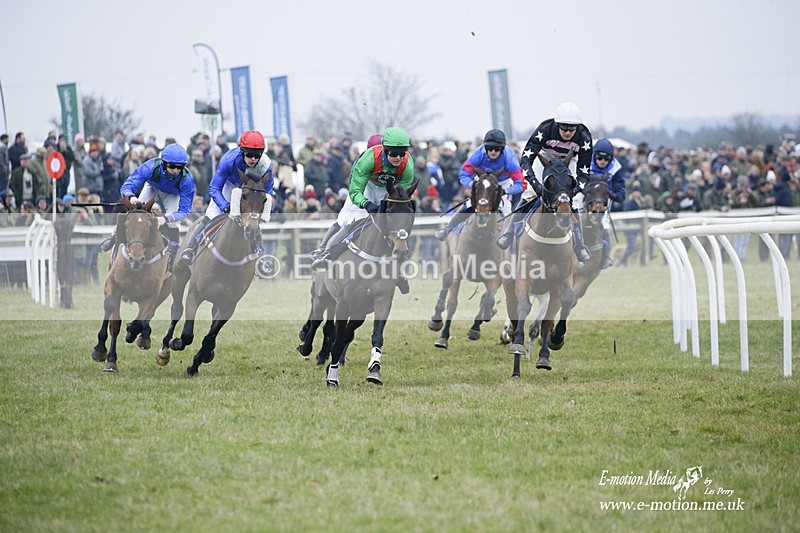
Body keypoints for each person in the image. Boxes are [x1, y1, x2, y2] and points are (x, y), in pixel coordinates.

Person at [309, 126, 415, 293]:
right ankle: (326, 253)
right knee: (351, 220)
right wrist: (366, 204)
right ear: (385, 150)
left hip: (386, 189)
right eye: (394, 154)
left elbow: (403, 191)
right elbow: (355, 190)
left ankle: (398, 270)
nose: (399, 158)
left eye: (402, 153)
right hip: (364, 187)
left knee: (392, 226)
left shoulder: (407, 163)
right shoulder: (368, 159)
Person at [495, 102, 594, 261]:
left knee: (572, 202)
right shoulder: (545, 129)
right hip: (545, 159)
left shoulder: (584, 136)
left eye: (572, 129)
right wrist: (535, 183)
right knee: (529, 195)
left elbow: (584, 171)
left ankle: (579, 245)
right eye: (563, 128)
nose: (568, 132)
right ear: (557, 124)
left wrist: (574, 190)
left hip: (569, 162)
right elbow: (526, 159)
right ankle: (509, 233)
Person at [179, 130, 274, 265]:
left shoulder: (266, 165)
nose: (253, 159)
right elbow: (215, 188)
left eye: (257, 155)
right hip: (228, 187)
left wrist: (261, 206)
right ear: (242, 151)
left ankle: (260, 251)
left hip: (251, 189)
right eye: (249, 154)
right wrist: (224, 205)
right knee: (211, 216)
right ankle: (190, 248)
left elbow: (268, 189)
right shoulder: (229, 160)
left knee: (253, 219)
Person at [99, 143, 196, 272]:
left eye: (180, 167)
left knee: (174, 223)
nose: (176, 171)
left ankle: (173, 256)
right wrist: (131, 197)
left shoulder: (187, 179)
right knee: (135, 212)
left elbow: (184, 211)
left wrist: (165, 219)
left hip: (172, 195)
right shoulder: (150, 167)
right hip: (152, 187)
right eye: (172, 166)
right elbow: (127, 187)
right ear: (163, 163)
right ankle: (114, 236)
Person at [433, 128, 523, 241]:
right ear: (485, 147)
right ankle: (447, 229)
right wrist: (473, 185)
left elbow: (520, 184)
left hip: (502, 183)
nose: (493, 151)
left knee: (506, 210)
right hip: (483, 181)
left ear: (503, 148)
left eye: (497, 148)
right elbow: (463, 174)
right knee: (470, 204)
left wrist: (505, 191)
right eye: (489, 148)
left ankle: (509, 241)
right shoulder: (478, 154)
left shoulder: (510, 159)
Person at [588, 138, 626, 269]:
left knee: (604, 226)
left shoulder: (616, 169)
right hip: (586, 197)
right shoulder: (586, 163)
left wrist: (612, 195)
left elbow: (621, 192)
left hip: (603, 202)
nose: (603, 161)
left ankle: (605, 257)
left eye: (606, 159)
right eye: (599, 158)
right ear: (594, 156)